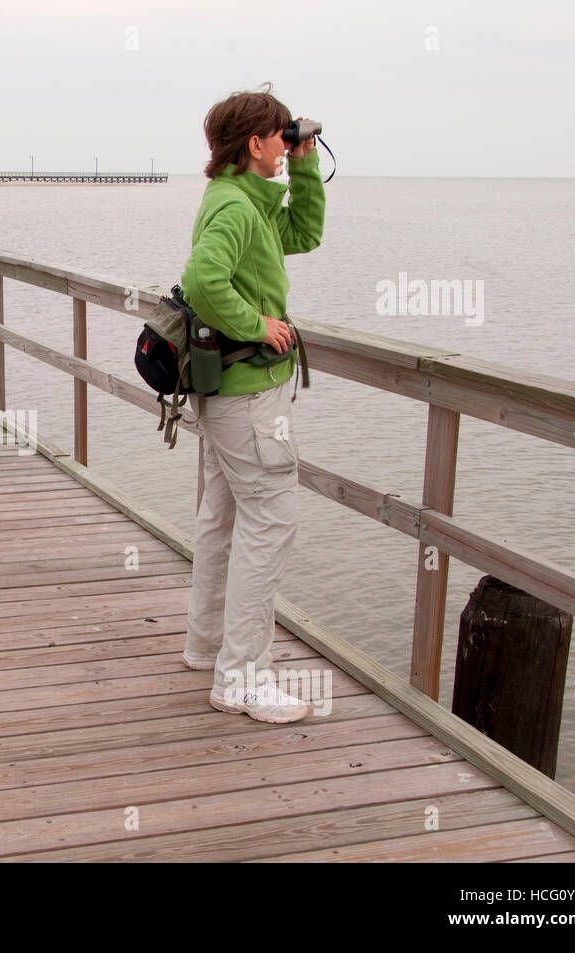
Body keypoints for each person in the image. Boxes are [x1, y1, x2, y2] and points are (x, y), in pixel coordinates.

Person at [177, 84, 325, 724]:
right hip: (248, 397)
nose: (287, 141)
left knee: (224, 516)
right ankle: (242, 678)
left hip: (227, 398)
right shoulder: (237, 209)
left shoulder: (239, 199)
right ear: (256, 143)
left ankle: (207, 643)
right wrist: (257, 325)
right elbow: (202, 281)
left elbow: (303, 232)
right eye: (282, 136)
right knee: (271, 523)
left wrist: (306, 164)